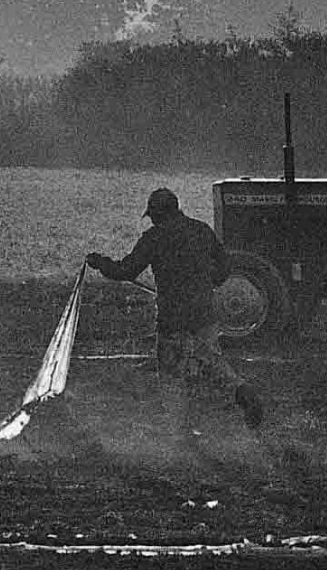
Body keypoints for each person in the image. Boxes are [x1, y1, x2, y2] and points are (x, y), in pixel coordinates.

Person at [88, 187, 264, 445]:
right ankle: (241, 389)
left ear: (158, 214)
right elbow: (225, 265)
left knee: (171, 374)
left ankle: (177, 432)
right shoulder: (201, 230)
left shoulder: (154, 237)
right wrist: (210, 281)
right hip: (204, 314)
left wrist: (100, 262)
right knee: (213, 364)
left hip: (172, 319)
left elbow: (125, 271)